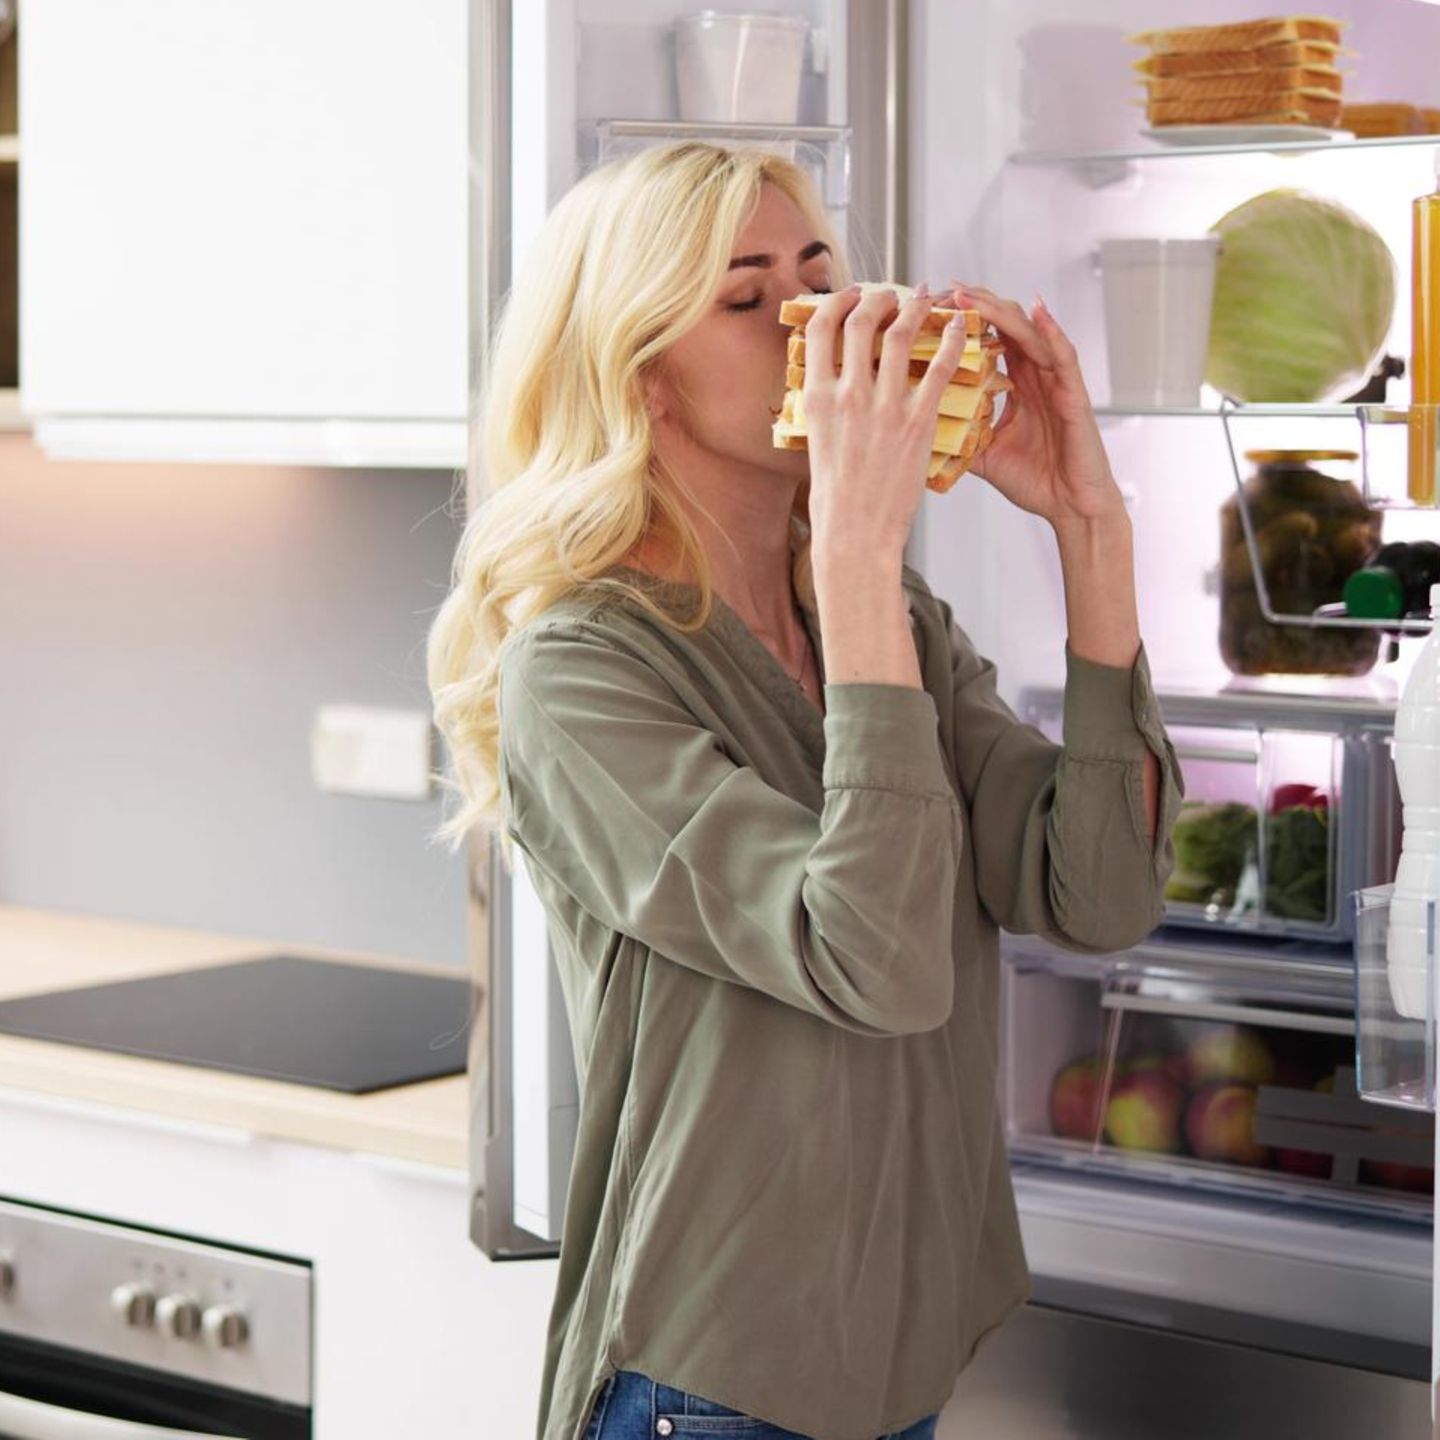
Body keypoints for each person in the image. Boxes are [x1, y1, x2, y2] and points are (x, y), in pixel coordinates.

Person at [426, 142, 1183, 1440]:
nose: (814, 321)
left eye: (818, 272)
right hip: (717, 1386)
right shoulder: (584, 671)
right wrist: (854, 539)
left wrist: (1089, 528)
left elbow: (1098, 891)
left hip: (896, 1360)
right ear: (640, 378)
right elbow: (872, 959)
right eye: (745, 296)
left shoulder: (879, 614)